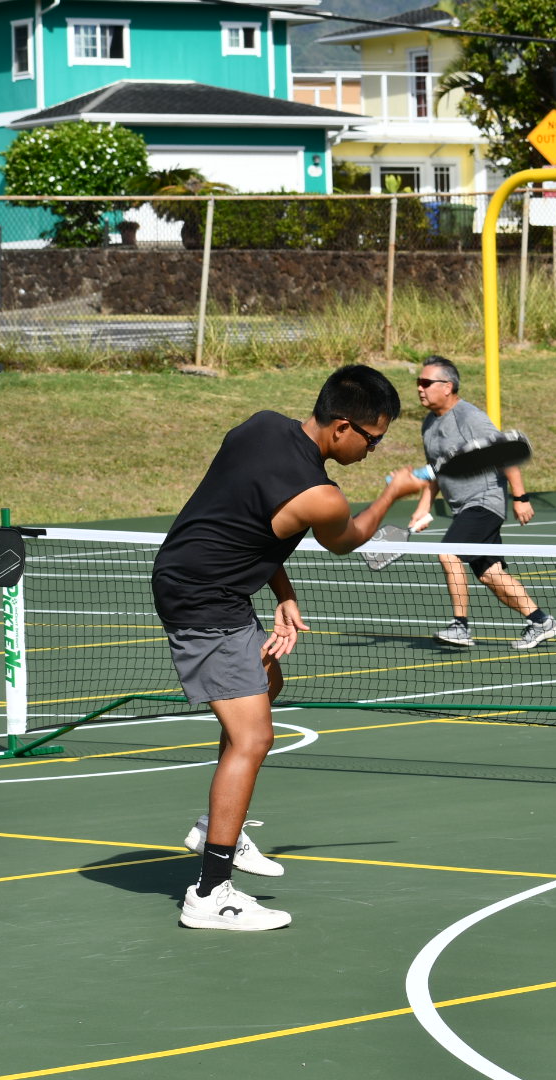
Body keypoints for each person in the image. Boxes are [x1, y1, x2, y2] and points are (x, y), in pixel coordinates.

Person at [152, 364, 428, 931]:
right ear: (342, 426)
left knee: (267, 682)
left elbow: (248, 518)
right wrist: (393, 492)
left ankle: (216, 827)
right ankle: (210, 891)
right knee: (254, 738)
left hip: (203, 579)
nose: (373, 449)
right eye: (372, 439)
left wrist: (283, 592)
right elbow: (350, 539)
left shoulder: (259, 426)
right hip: (203, 597)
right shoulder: (322, 497)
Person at [408, 357, 556, 650]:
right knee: (490, 574)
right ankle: (541, 621)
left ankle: (460, 626)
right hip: (462, 507)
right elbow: (436, 471)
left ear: (447, 387)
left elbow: (504, 453)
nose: (420, 388)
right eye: (418, 382)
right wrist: (424, 506)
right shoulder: (428, 425)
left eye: (426, 383)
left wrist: (520, 497)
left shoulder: (469, 417)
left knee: (448, 553)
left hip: (483, 501)